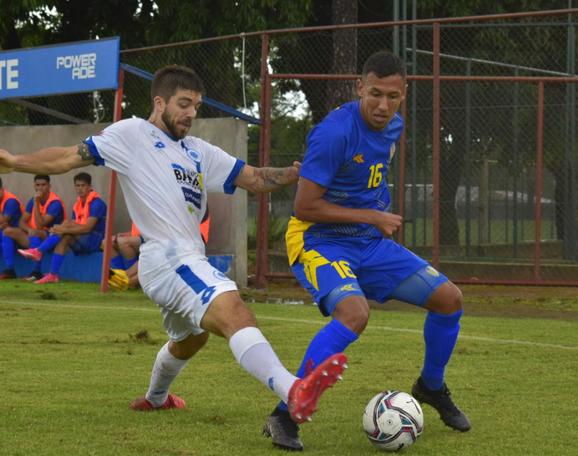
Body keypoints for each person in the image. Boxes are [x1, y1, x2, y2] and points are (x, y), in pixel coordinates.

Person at [0, 64, 347, 435]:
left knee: (191, 338)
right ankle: (293, 389)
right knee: (235, 311)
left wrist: (294, 175)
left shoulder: (198, 151)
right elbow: (69, 156)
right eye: (184, 104)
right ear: (160, 101)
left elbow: (255, 178)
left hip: (179, 260)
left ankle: (155, 397)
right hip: (168, 257)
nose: (191, 113)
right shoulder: (133, 134)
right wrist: (15, 162)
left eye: (196, 106)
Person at [262, 51, 470, 451]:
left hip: (368, 242)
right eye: (375, 94)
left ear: (404, 94)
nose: (382, 105)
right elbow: (304, 206)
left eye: (392, 96)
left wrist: (371, 221)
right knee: (354, 313)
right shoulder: (333, 133)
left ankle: (431, 386)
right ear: (360, 87)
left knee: (449, 299)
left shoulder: (394, 126)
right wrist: (372, 216)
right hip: (317, 239)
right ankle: (284, 414)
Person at [18, 172, 107, 284]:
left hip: (96, 240)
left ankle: (38, 251)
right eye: (77, 186)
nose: (80, 189)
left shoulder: (97, 203)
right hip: (81, 238)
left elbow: (87, 228)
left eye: (83, 186)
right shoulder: (78, 203)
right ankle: (53, 274)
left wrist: (62, 229)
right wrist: (62, 229)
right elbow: (21, 222)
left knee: (66, 224)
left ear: (90, 187)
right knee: (64, 238)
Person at [0, 174, 65, 281]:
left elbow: (41, 225)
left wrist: (36, 202)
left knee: (36, 232)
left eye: (43, 185)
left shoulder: (55, 203)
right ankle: (10, 270)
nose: (40, 188)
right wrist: (28, 230)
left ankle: (36, 272)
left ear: (49, 186)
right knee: (7, 231)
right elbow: (22, 221)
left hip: (51, 238)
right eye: (37, 185)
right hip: (34, 235)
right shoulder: (33, 200)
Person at [0, 177, 24, 279]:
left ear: (1, 189)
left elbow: (3, 221)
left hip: (20, 236)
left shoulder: (10, 201)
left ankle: (10, 269)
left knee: (5, 232)